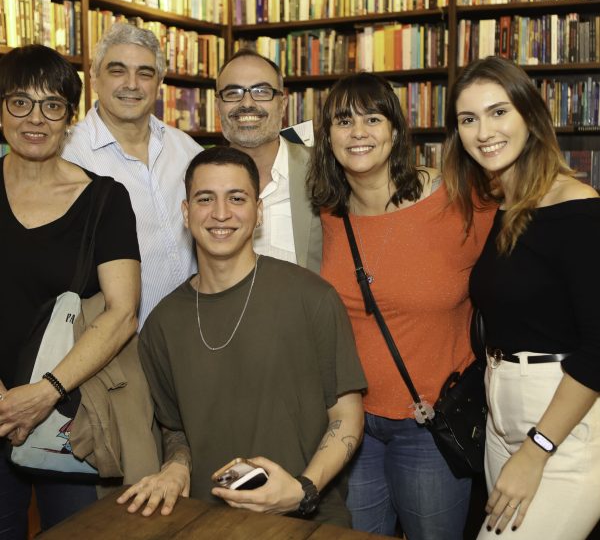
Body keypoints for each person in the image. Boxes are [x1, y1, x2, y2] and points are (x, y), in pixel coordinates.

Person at [117, 147, 366, 527]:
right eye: (205, 199)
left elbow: (346, 417)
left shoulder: (311, 297)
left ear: (258, 211)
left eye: (237, 198)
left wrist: (302, 490)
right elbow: (175, 429)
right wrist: (176, 466)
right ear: (186, 213)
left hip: (305, 519)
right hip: (204, 519)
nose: (220, 214)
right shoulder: (162, 323)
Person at [307, 72, 495, 540]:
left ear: (395, 130)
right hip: (349, 424)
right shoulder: (326, 214)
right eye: (344, 121)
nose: (358, 133)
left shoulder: (459, 201)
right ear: (326, 135)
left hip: (430, 425)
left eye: (373, 118)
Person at [444, 56, 600, 539]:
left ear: (530, 117)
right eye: (468, 119)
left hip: (561, 422)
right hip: (500, 416)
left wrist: (537, 449)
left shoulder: (577, 209)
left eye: (498, 112)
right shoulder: (504, 207)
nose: (483, 131)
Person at [0, 45, 140, 535]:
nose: (35, 118)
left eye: (52, 105)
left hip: (71, 416)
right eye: (20, 102)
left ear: (70, 118)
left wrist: (44, 392)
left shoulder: (105, 199)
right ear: (1, 111)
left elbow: (122, 312)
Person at [62, 23, 202, 328]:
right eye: (117, 71)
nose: (132, 84)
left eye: (145, 73)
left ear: (159, 82)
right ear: (95, 78)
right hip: (116, 350)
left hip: (194, 334)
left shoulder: (187, 151)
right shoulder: (68, 156)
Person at [216, 49, 321, 273]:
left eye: (261, 91)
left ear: (282, 104)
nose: (247, 103)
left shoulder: (322, 169)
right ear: (218, 106)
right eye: (233, 92)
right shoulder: (200, 179)